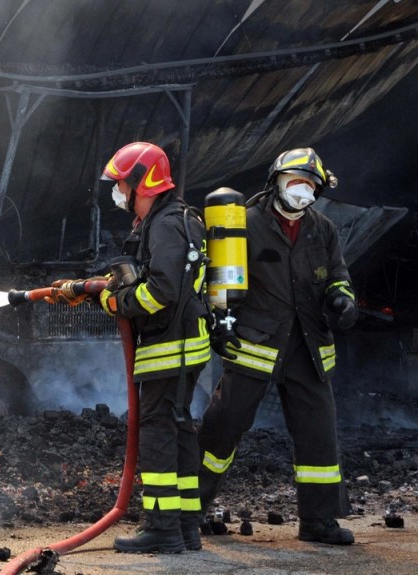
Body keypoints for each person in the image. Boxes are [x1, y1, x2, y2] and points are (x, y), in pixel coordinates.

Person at [198, 147, 358, 545]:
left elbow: (338, 275)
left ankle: (318, 521)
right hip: (255, 343)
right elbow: (218, 278)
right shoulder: (245, 224)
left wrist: (342, 299)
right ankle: (188, 511)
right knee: (224, 425)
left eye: (310, 185)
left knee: (318, 433)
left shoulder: (323, 229)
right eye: (295, 181)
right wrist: (220, 320)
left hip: (308, 346)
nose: (302, 190)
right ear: (276, 182)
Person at [96, 142, 211, 553]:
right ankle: (186, 527)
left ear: (141, 182)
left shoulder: (164, 225)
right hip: (183, 346)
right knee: (179, 430)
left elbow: (161, 290)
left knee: (158, 432)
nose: (118, 192)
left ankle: (162, 529)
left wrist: (117, 303)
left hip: (169, 348)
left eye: (121, 184)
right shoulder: (174, 219)